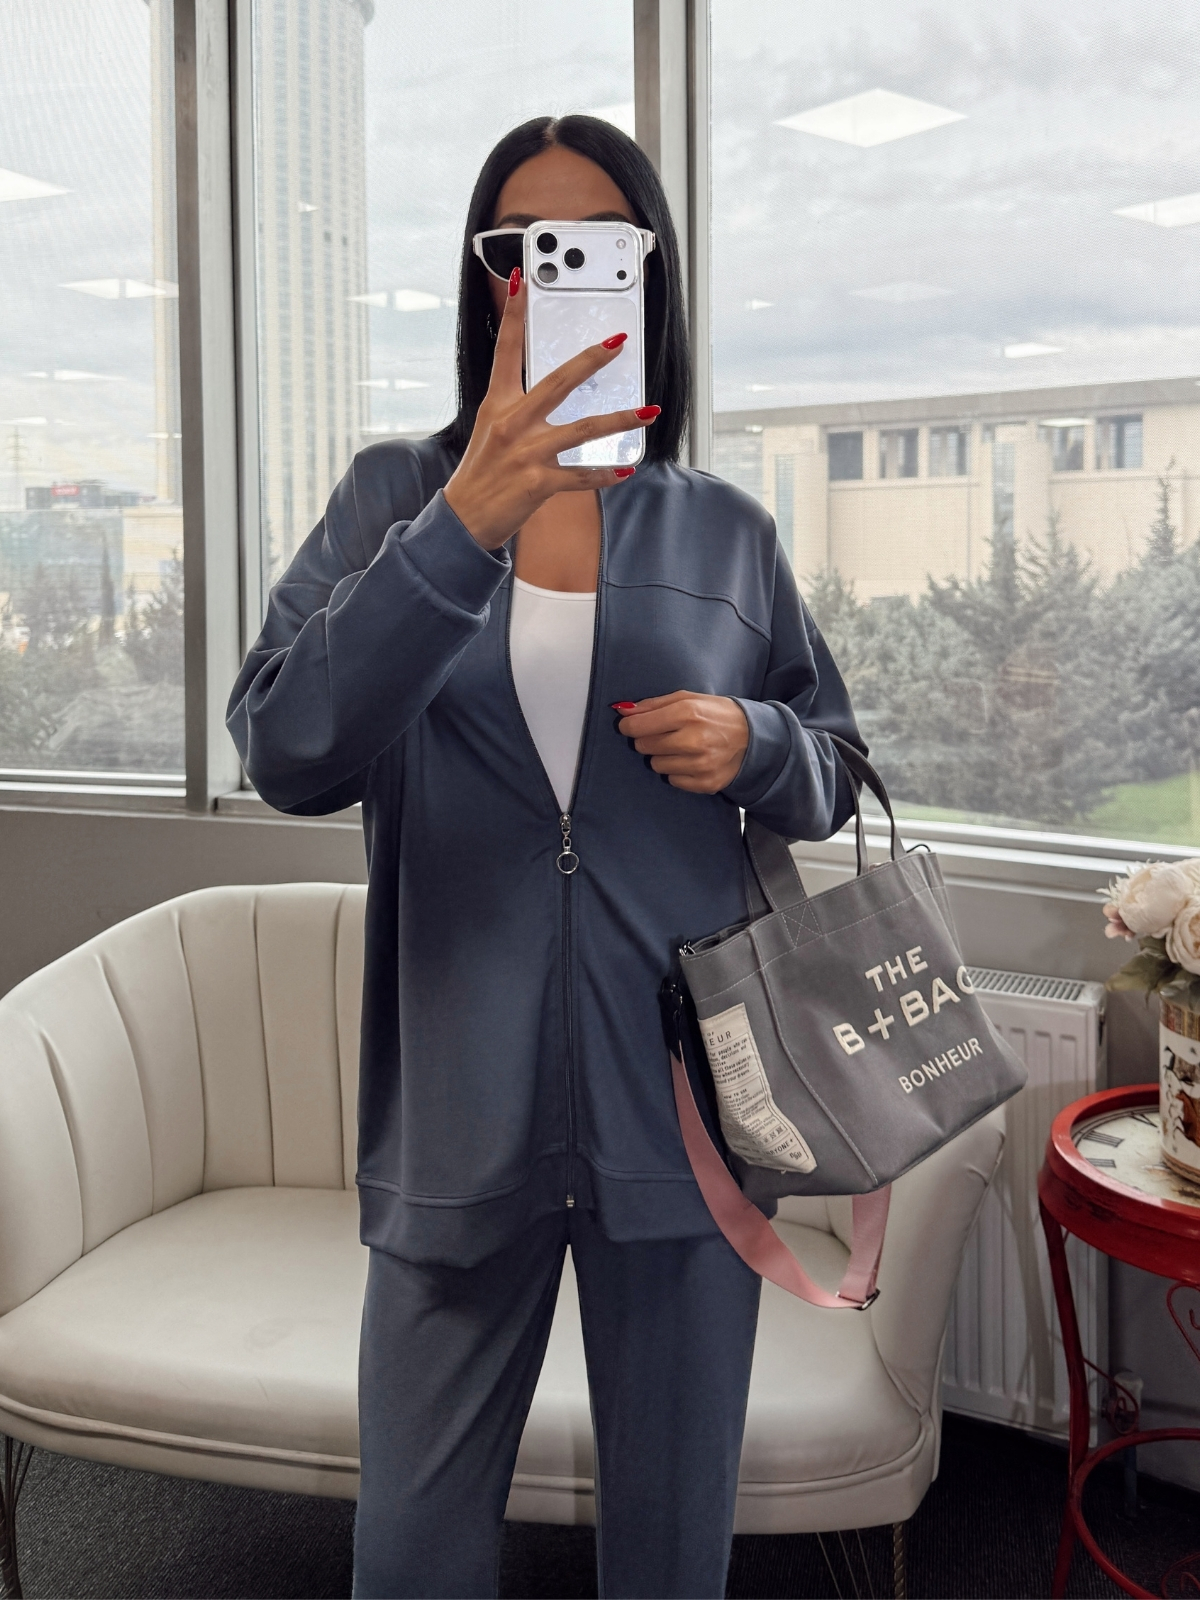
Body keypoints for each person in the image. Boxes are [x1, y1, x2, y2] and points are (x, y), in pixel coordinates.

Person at [228, 113, 865, 1600]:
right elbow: (285, 750)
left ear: (650, 275)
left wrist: (757, 743)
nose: (549, 275)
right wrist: (463, 523)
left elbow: (835, 768)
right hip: (458, 1119)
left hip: (683, 1123)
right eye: (517, 248)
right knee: (412, 1556)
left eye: (592, 245)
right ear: (485, 282)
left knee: (671, 1555)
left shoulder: (725, 531)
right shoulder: (395, 501)